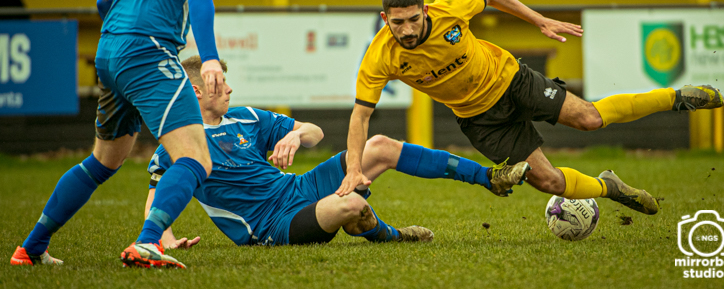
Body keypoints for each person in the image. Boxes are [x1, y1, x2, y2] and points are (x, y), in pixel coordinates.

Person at [339, 0, 724, 216]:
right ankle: (609, 187)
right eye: (397, 22)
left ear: (424, 11)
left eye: (413, 19)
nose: (407, 30)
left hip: (512, 80)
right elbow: (360, 116)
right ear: (385, 18)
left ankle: (675, 98)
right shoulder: (379, 57)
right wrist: (354, 168)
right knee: (550, 183)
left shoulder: (450, 10)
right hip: (479, 120)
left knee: (589, 118)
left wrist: (538, 19)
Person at [10, 0, 234, 268]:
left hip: (110, 48)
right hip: (148, 52)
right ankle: (148, 242)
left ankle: (30, 249)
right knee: (196, 158)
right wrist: (210, 58)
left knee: (103, 162)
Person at [144, 56, 506, 250]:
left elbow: (315, 132)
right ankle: (395, 236)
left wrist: (296, 135)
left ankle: (486, 177)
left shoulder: (246, 117)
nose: (229, 89)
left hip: (299, 187)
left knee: (380, 145)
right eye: (221, 84)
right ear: (197, 91)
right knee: (351, 206)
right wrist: (164, 238)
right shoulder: (178, 142)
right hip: (273, 225)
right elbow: (157, 191)